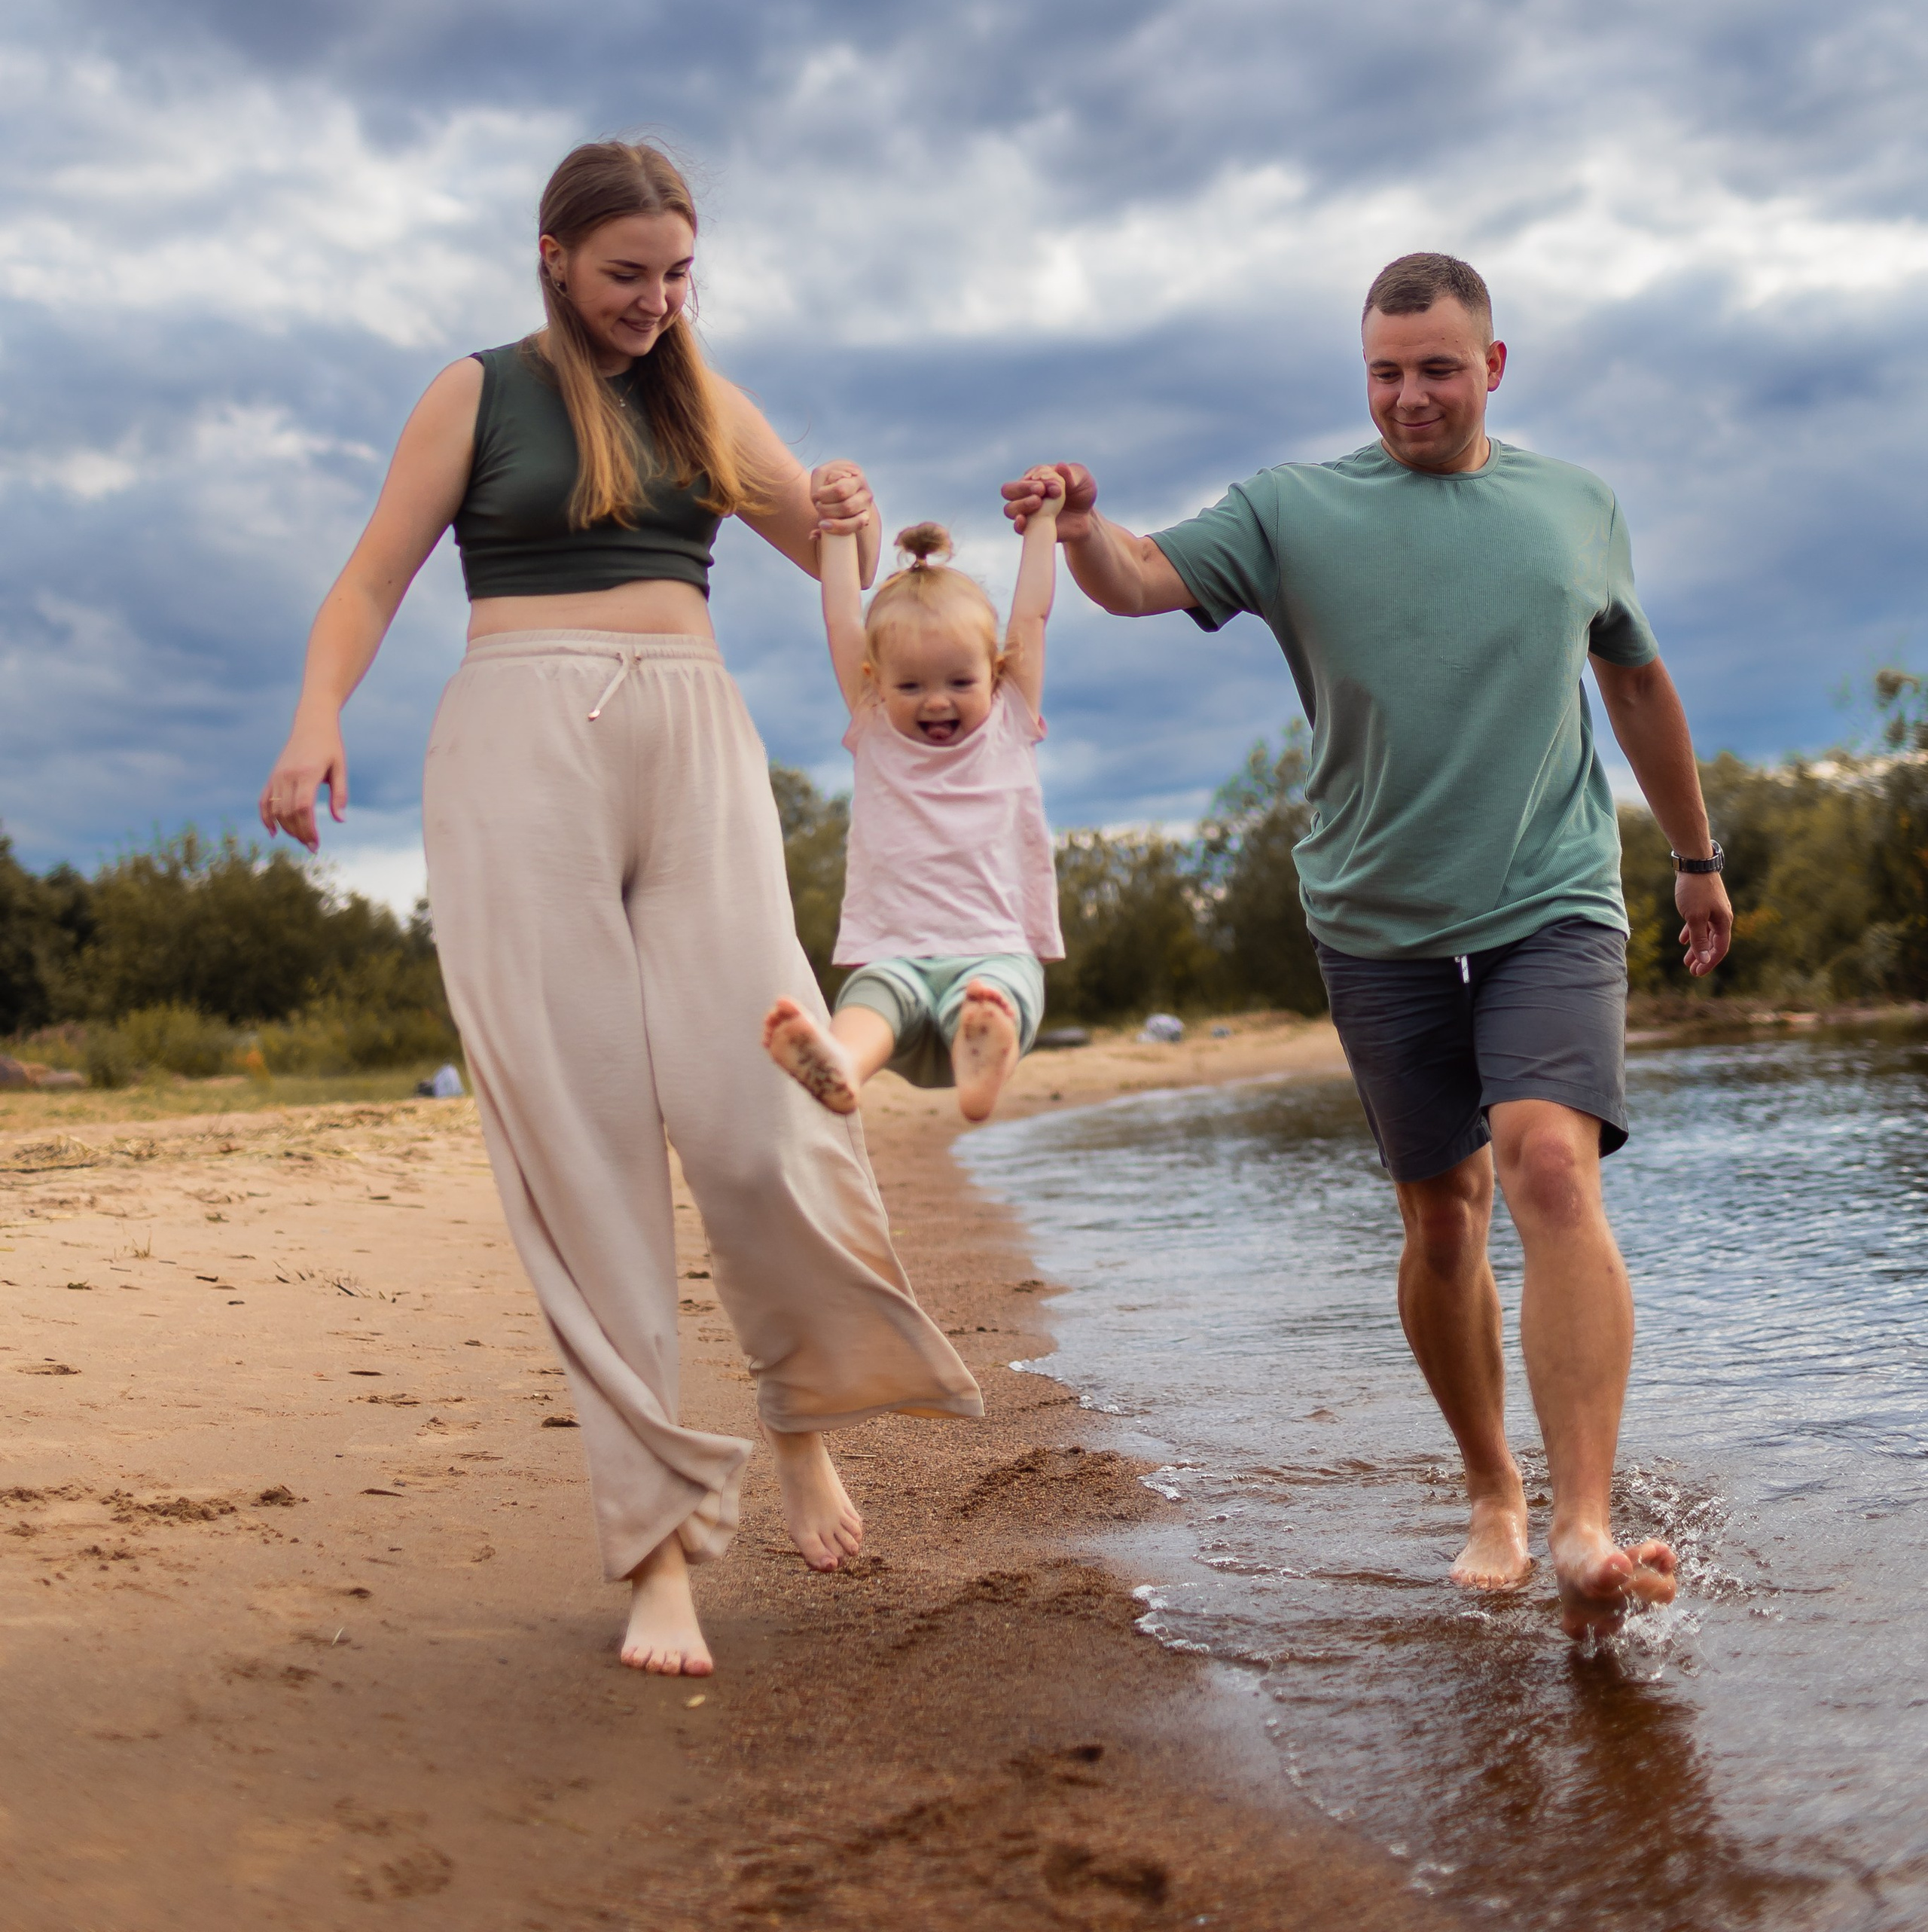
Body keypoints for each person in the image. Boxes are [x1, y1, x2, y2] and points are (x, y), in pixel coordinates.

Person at [260, 139, 979, 1680]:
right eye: (624, 275)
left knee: (761, 1111)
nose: (654, 303)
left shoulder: (706, 398)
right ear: (552, 258)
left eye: (676, 275)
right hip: (516, 748)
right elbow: (371, 580)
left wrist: (849, 511)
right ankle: (658, 1557)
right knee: (584, 1153)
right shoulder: (476, 394)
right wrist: (316, 719)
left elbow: (838, 570)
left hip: (695, 736)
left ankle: (799, 1416)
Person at [1002, 252, 1732, 1642]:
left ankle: (1584, 1528)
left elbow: (1636, 679)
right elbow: (1140, 578)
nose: (1409, 397)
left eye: (1438, 369)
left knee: (1549, 1169)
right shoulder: (1295, 509)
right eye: (1386, 373)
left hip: (1552, 894)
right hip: (1374, 917)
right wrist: (1085, 528)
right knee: (1443, 1216)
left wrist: (1696, 860)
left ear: (1494, 367)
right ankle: (1493, 1488)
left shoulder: (1577, 504)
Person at [763, 479, 1065, 1127]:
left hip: (995, 952)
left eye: (960, 681)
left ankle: (981, 1053)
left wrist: (1044, 524)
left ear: (996, 670)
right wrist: (839, 534)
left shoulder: (1011, 712)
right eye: (910, 686)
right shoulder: (873, 721)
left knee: (993, 998)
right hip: (895, 952)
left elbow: (1031, 617)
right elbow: (842, 622)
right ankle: (843, 1065)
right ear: (875, 681)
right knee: (869, 1003)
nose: (936, 701)